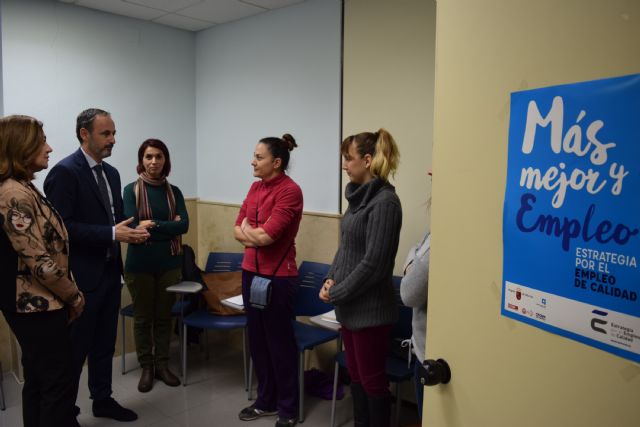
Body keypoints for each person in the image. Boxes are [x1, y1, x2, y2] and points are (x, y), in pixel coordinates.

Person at [44, 108, 150, 422]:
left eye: (114, 133)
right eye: (106, 134)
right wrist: (111, 233)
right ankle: (67, 411)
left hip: (109, 274)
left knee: (105, 344)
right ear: (84, 134)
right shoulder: (65, 172)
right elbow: (61, 228)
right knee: (75, 352)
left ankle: (102, 400)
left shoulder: (112, 173)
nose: (113, 140)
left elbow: (114, 221)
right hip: (80, 278)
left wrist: (132, 232)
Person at [0, 115, 84, 427]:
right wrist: (74, 296)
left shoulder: (23, 187)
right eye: (41, 142)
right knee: (55, 385)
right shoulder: (13, 194)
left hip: (40, 302)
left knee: (38, 378)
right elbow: (39, 261)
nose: (49, 148)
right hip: (36, 305)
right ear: (20, 147)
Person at [319, 129, 402, 427]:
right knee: (356, 377)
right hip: (351, 309)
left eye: (348, 158)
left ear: (367, 160)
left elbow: (374, 265)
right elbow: (347, 249)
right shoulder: (358, 200)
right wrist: (330, 279)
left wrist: (337, 292)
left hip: (371, 312)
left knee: (372, 382)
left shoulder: (385, 203)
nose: (344, 165)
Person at [234, 134, 303, 427]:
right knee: (258, 342)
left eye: (259, 157)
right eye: (254, 155)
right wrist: (252, 233)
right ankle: (265, 401)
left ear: (276, 162)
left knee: (280, 345)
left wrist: (252, 233)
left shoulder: (290, 191)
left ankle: (288, 409)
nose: (252, 161)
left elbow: (267, 236)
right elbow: (236, 228)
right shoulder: (254, 187)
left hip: (278, 278)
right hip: (250, 272)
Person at [122, 138, 189, 392]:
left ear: (165, 160)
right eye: (148, 157)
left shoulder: (176, 192)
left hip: (170, 263)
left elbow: (184, 226)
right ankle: (147, 367)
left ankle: (162, 364)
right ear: (141, 160)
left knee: (164, 317)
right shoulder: (131, 190)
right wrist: (167, 225)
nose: (153, 162)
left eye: (158, 157)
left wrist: (153, 224)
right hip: (139, 264)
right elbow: (132, 227)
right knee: (143, 318)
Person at [399, 172, 431, 420]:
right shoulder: (435, 230)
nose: (429, 171)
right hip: (422, 347)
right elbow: (414, 249)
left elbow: (409, 294)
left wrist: (412, 263)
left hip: (432, 356)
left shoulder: (447, 233)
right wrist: (414, 260)